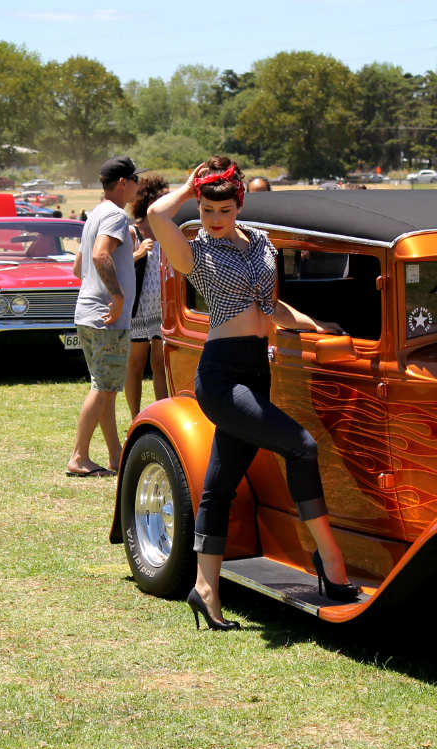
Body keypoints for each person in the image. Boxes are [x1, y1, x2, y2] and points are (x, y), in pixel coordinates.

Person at [147, 156, 360, 630]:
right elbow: (157, 217)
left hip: (255, 371)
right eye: (205, 211)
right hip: (222, 378)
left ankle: (205, 589)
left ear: (238, 205)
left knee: (219, 487)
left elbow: (271, 307)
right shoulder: (195, 252)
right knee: (301, 446)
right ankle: (331, 561)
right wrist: (188, 187)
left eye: (222, 211)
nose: (214, 220)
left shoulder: (261, 242)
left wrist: (314, 324)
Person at [66, 156, 144, 477]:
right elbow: (100, 254)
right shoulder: (114, 214)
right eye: (135, 180)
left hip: (87, 313)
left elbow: (77, 266)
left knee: (106, 387)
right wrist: (118, 295)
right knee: (103, 387)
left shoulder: (96, 213)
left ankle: (115, 456)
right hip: (107, 316)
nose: (139, 185)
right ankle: (79, 457)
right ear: (123, 183)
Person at [124, 174, 170, 418]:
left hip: (164, 306)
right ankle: (135, 418)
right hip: (138, 306)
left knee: (160, 364)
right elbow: (117, 265)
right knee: (135, 364)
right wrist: (139, 253)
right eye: (162, 197)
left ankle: (162, 417)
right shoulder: (133, 231)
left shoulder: (169, 229)